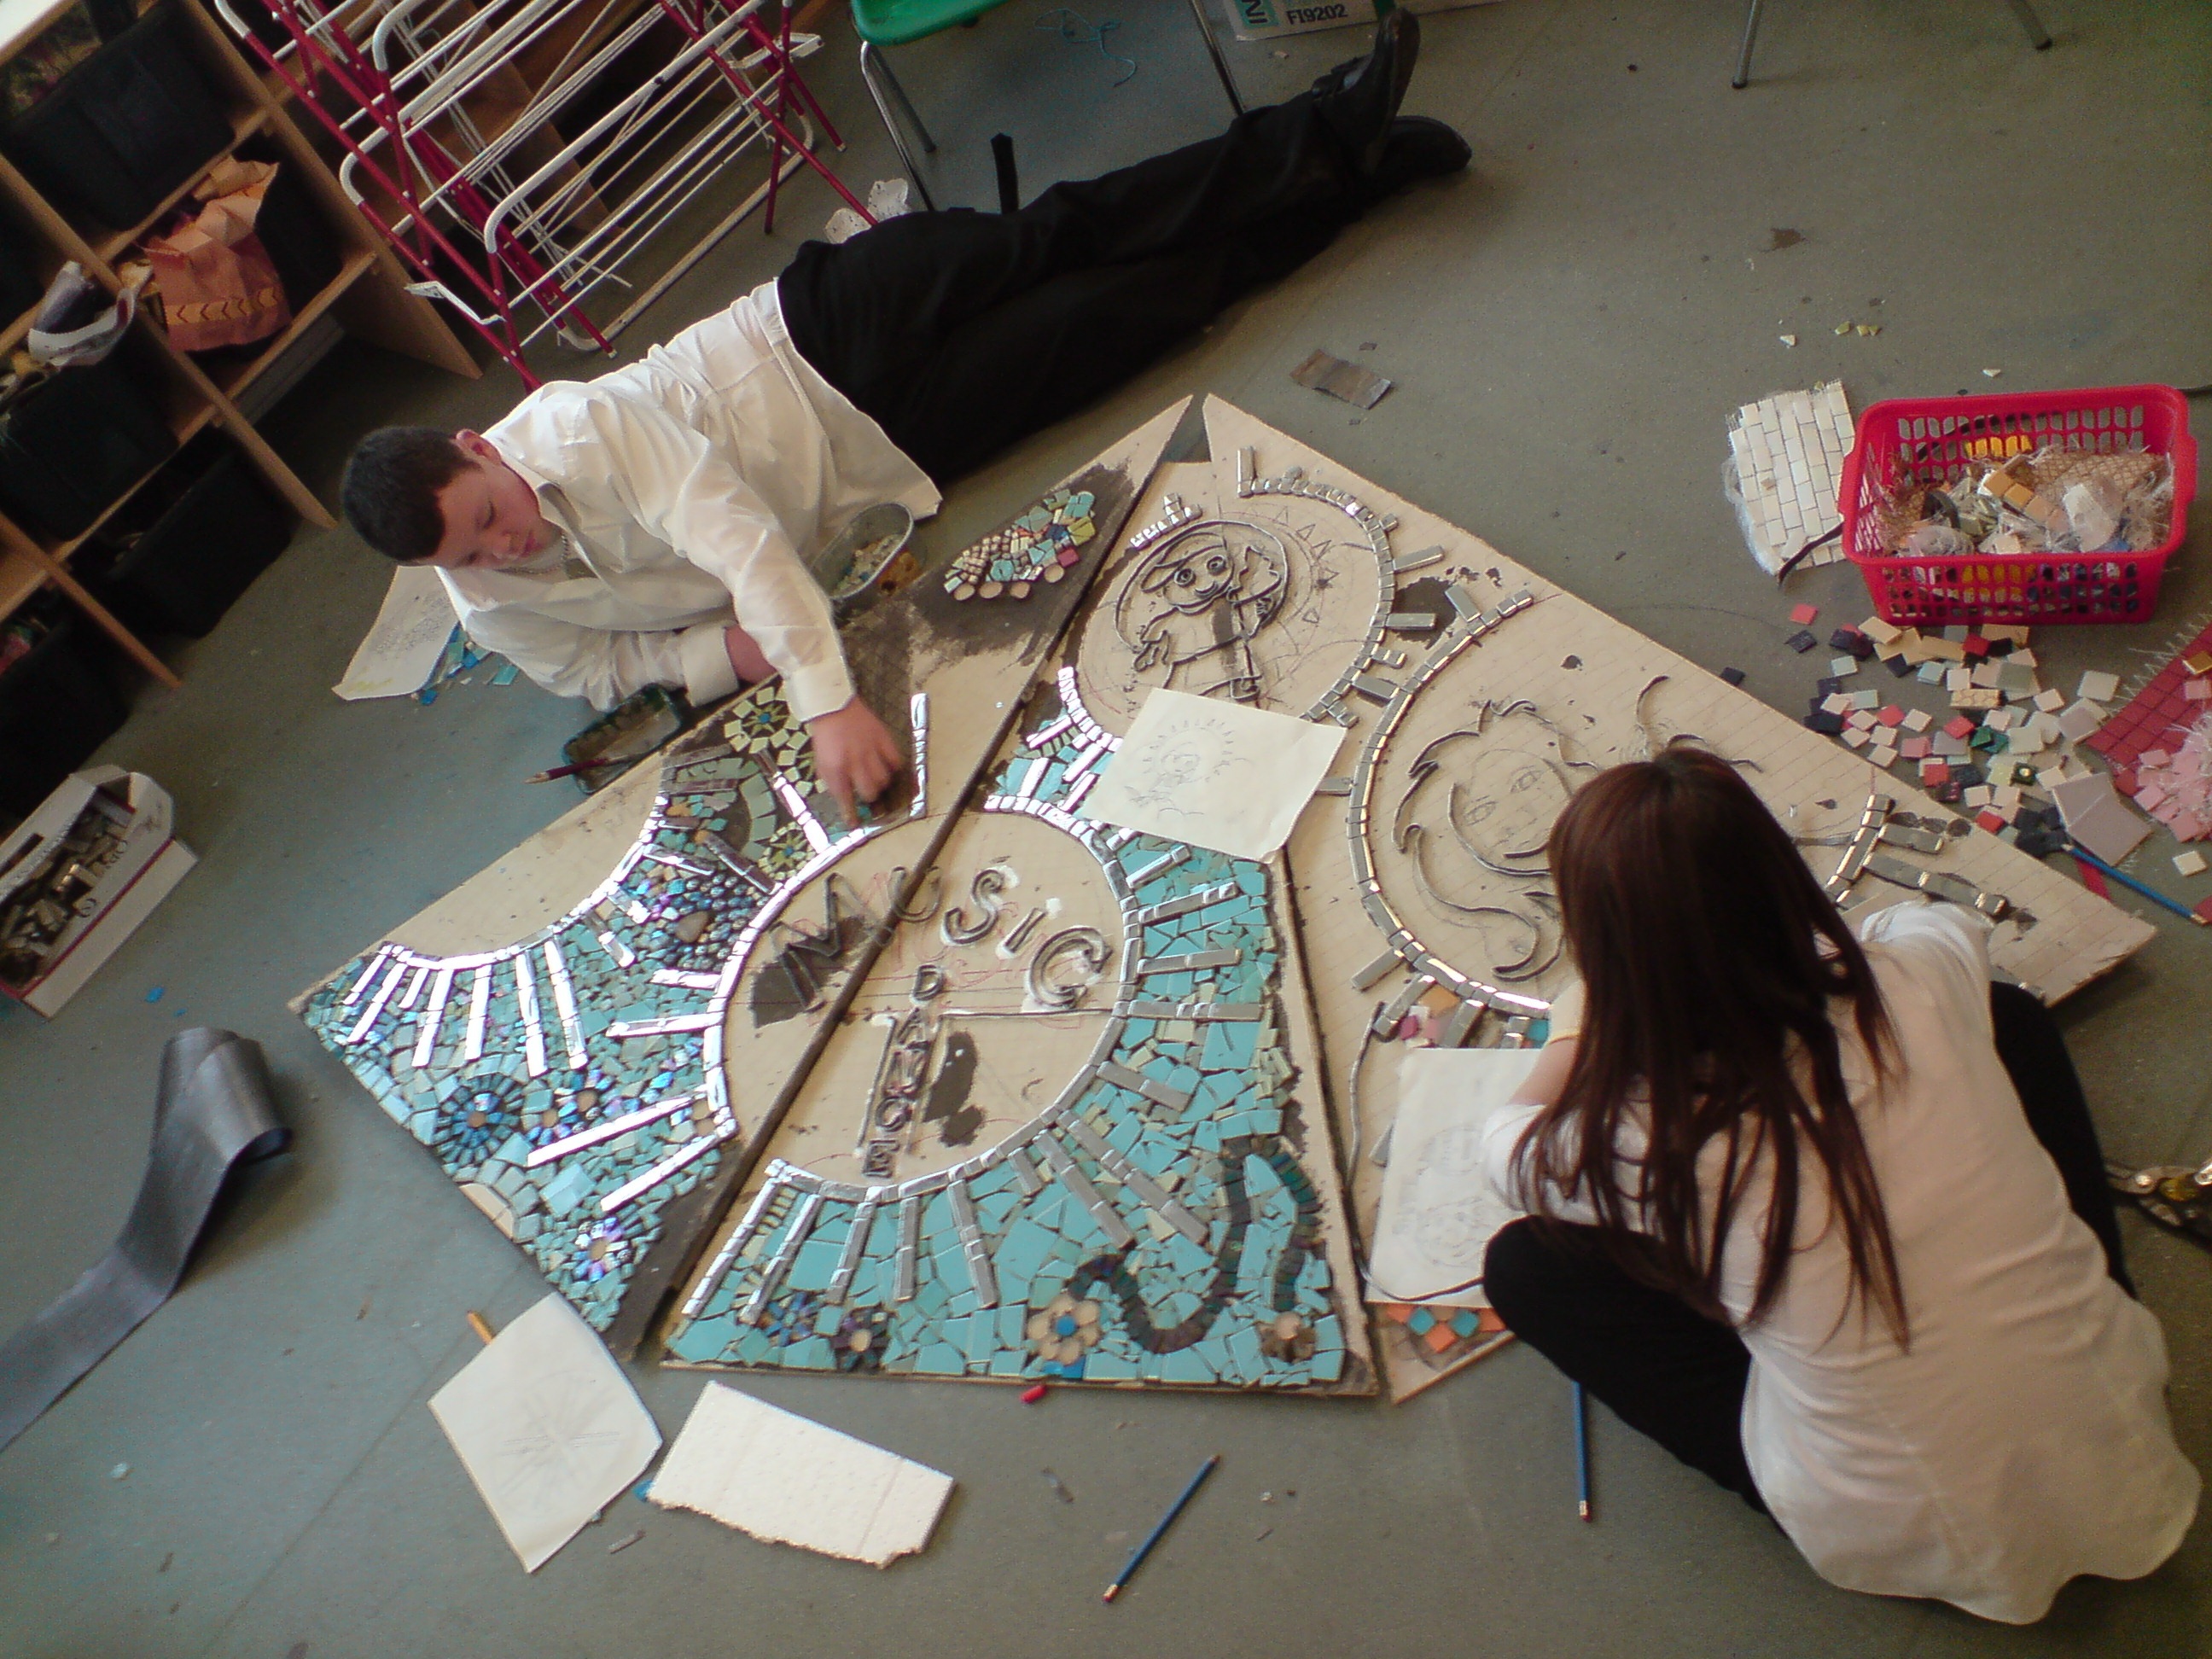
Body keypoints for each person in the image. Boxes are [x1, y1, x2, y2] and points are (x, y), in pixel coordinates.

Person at [338, 9, 1466, 822]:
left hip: (808, 327)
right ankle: (1359, 183)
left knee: (1068, 229)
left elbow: (731, 530)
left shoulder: (570, 427)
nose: (506, 545)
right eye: (475, 553)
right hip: (883, 446)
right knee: (1131, 313)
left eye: (487, 512)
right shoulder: (487, 603)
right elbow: (597, 672)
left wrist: (827, 701)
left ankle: (1323, 132)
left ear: (479, 445)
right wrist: (720, 654)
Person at [1478, 745, 2197, 1624]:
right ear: (1783, 881)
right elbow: (1932, 931)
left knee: (1526, 1267)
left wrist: (1575, 1037)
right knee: (2005, 1014)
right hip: (2116, 1420)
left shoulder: (1629, 1141)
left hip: (1899, 1525)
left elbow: (1501, 1148)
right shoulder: (1916, 976)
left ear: (1610, 965)